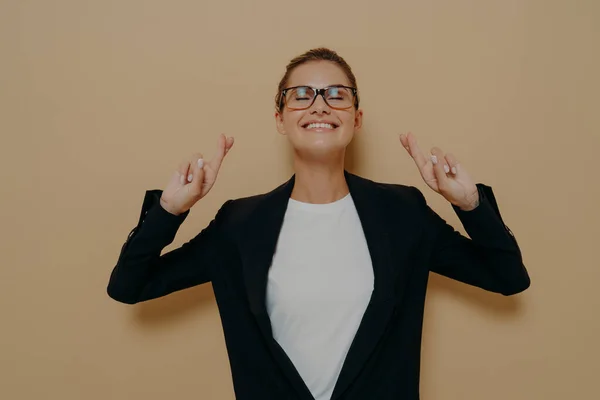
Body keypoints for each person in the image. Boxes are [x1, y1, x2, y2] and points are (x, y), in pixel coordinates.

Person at [107, 48, 531, 400]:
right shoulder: (240, 224)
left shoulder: (402, 212)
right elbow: (129, 285)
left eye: (336, 94)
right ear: (280, 118)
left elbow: (507, 276)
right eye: (302, 95)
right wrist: (170, 210)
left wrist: (469, 203)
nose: (320, 104)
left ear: (356, 118)